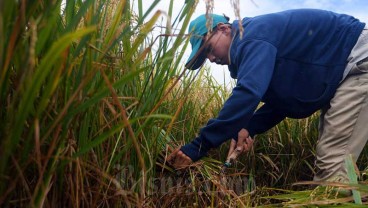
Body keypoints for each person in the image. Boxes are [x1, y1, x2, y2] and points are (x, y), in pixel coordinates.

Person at [167, 9, 368, 182]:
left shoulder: (252, 36)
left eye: (208, 49)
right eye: (204, 57)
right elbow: (285, 101)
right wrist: (250, 127)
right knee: (333, 162)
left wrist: (198, 147)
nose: (210, 59)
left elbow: (248, 93)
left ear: (224, 29)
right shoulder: (256, 46)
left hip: (358, 60)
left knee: (333, 164)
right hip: (345, 71)